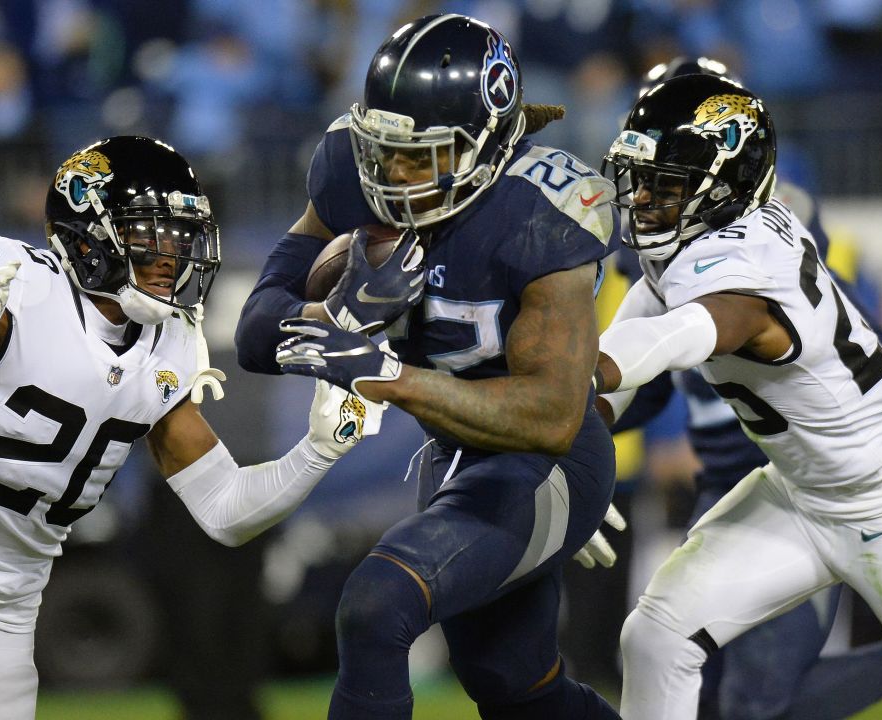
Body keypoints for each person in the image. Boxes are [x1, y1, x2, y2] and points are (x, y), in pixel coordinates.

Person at [0, 135, 376, 720]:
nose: (171, 255)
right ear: (89, 235)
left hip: (4, 608)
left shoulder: (172, 345)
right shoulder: (22, 282)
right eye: (148, 232)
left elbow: (226, 512)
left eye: (180, 235)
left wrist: (317, 451)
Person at [235, 14, 624, 720]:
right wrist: (331, 322)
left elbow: (551, 416)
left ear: (487, 143)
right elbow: (257, 328)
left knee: (378, 604)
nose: (394, 174)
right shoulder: (352, 172)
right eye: (385, 152)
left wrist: (382, 371)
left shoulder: (543, 214)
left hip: (547, 462)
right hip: (455, 454)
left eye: (422, 156)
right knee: (513, 686)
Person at [594, 74, 882, 720]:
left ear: (726, 186)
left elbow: (689, 331)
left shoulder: (747, 260)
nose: (645, 199)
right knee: (655, 638)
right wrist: (571, 473)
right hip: (799, 495)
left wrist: (554, 371)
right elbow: (605, 396)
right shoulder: (684, 251)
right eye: (640, 179)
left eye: (668, 185)